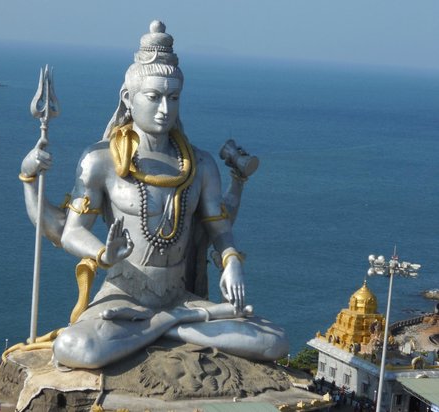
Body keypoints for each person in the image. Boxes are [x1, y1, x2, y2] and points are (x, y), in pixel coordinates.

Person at [19, 20, 288, 369]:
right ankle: (171, 325)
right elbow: (71, 231)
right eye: (154, 97)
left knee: (275, 341)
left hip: (180, 297)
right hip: (123, 297)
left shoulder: (200, 164)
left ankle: (166, 324)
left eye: (173, 98)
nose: (164, 109)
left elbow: (219, 229)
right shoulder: (100, 160)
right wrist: (104, 253)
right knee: (75, 346)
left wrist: (232, 261)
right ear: (128, 98)